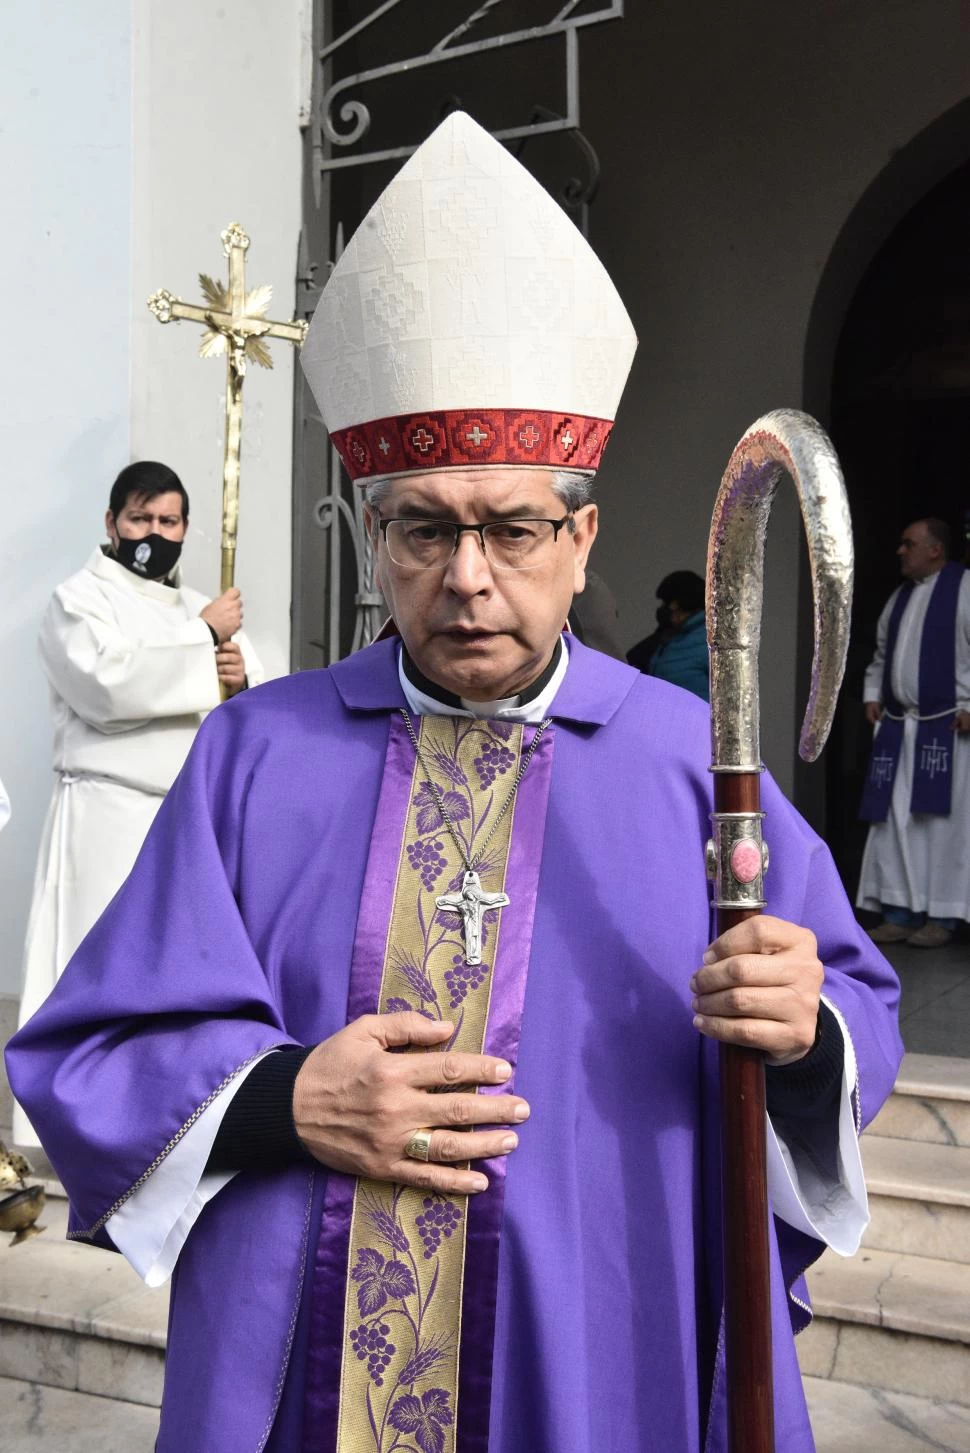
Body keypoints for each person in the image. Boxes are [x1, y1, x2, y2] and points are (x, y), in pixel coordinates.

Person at [7, 114, 900, 1453]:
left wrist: (800, 1030)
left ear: (579, 534)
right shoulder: (257, 755)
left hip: (604, 1352)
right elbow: (94, 1050)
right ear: (373, 533)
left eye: (511, 526)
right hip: (320, 1366)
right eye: (424, 526)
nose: (467, 575)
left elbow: (846, 1005)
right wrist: (281, 1097)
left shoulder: (684, 759)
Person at [12, 460, 263, 1145]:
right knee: (97, 981)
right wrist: (203, 641)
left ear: (186, 527)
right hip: (106, 815)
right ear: (111, 523)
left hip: (184, 823)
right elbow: (106, 686)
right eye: (140, 519)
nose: (154, 532)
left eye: (168, 521)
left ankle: (158, 1129)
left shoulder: (198, 606)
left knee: (170, 983)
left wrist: (241, 679)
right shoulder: (79, 599)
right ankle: (74, 1137)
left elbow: (246, 718)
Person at [858, 517, 970, 948]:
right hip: (901, 728)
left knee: (940, 828)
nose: (900, 551)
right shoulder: (899, 597)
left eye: (909, 544)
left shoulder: (963, 589)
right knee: (896, 823)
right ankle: (900, 911)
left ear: (935, 549)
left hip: (947, 732)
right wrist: (873, 692)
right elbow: (882, 655)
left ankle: (942, 915)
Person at [628, 568, 709, 700]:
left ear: (679, 604)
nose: (663, 609)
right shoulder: (669, 638)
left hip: (694, 719)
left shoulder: (709, 642)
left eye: (667, 603)